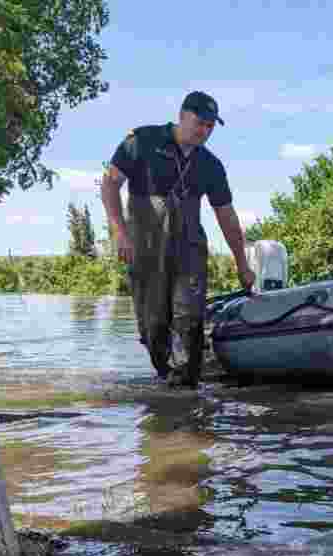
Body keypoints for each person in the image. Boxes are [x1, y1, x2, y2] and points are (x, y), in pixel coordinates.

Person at [100, 91, 256, 387]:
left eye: (211, 126)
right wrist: (119, 231)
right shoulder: (142, 141)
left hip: (189, 252)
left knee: (189, 323)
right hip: (145, 250)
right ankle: (168, 385)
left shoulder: (210, 164)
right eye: (200, 123)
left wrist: (242, 264)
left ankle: (187, 396)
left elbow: (227, 217)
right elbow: (109, 183)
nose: (205, 131)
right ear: (183, 115)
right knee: (153, 327)